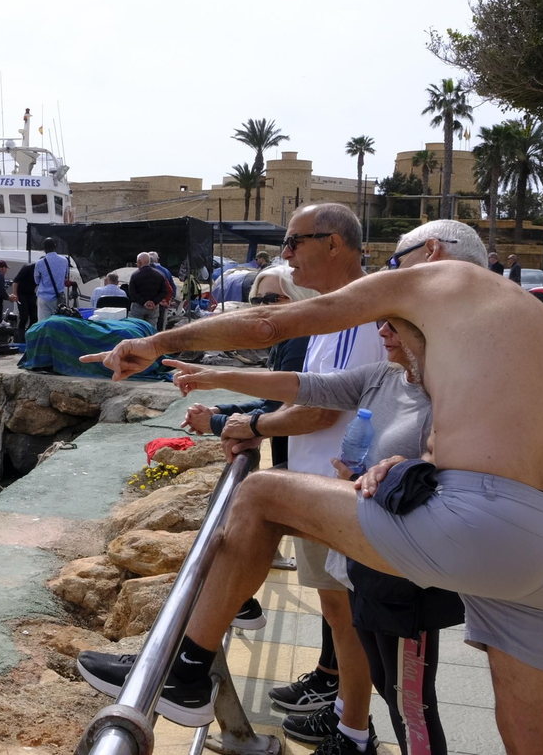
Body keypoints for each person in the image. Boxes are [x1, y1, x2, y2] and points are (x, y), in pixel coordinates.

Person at [78, 216, 543, 755]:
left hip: (477, 522)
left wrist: (154, 343)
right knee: (539, 735)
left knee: (260, 494)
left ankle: (188, 670)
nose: (390, 278)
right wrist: (415, 462)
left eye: (398, 264)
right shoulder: (539, 326)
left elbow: (269, 326)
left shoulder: (445, 280)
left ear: (433, 251)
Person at [165, 316, 461, 755]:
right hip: (366, 556)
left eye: (395, 325)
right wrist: (212, 376)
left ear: (427, 328)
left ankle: (190, 663)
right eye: (382, 323)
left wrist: (401, 467)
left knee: (410, 702)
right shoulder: (382, 376)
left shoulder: (451, 395)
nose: (382, 332)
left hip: (404, 567)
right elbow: (302, 386)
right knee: (385, 681)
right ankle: (350, 732)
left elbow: (453, 472)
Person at [205, 205, 389, 751]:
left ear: (334, 244)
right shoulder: (333, 313)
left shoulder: (357, 313)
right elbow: (305, 391)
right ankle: (343, 712)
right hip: (323, 482)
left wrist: (250, 424)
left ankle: (352, 729)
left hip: (336, 487)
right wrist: (240, 413)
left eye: (294, 242)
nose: (285, 256)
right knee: (338, 611)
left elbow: (322, 410)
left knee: (347, 615)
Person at [184, 265, 313, 471]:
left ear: (300, 298)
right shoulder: (288, 339)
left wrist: (214, 422)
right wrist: (220, 411)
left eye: (272, 299)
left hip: (304, 460)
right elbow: (274, 399)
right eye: (256, 300)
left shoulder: (300, 341)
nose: (262, 306)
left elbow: (280, 408)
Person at [32, 238, 74, 321]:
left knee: (43, 323)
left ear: (44, 248)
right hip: (58, 298)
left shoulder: (40, 263)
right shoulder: (64, 260)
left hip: (43, 297)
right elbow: (65, 276)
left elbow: (37, 281)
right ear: (55, 247)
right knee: (57, 322)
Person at [127, 253, 170, 328]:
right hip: (153, 308)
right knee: (151, 329)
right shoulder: (160, 274)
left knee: (137, 328)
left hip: (138, 307)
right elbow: (164, 291)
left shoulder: (135, 275)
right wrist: (154, 302)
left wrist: (144, 303)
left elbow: (132, 293)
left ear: (139, 262)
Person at [10, 261, 38, 342]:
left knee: (34, 317)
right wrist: (15, 294)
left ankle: (29, 334)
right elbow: (15, 281)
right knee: (24, 316)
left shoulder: (42, 270)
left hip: (31, 293)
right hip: (21, 293)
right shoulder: (28, 267)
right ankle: (21, 337)